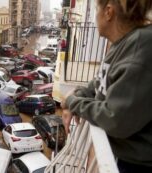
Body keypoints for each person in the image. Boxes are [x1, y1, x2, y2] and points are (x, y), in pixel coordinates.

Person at [61, 0, 152, 172]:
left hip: (139, 166)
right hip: (126, 158)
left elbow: (115, 119)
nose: (95, 16)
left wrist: (72, 101)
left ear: (108, 12)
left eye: (96, 9)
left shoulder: (139, 46)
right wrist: (80, 93)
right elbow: (100, 83)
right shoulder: (124, 43)